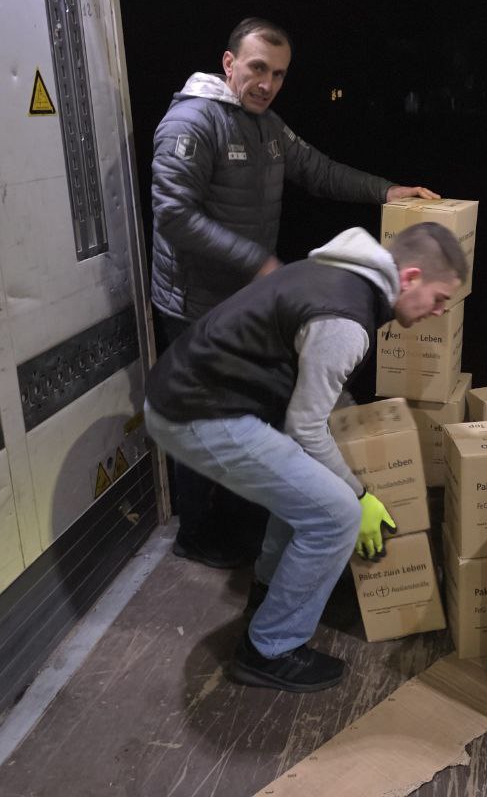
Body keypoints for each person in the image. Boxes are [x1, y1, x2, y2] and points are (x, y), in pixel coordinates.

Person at [150, 17, 439, 568]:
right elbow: (173, 214)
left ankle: (238, 519)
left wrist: (387, 191)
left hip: (241, 299)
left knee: (246, 411)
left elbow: (319, 171)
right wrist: (256, 261)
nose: (267, 84)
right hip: (194, 301)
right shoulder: (192, 123)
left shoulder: (268, 127)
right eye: (257, 68)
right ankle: (196, 531)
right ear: (229, 63)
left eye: (279, 74)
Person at [144, 222, 467, 692]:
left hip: (199, 397)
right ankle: (268, 650)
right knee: (336, 515)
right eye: (439, 299)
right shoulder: (346, 319)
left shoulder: (338, 276)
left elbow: (316, 395)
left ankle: (268, 594)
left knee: (308, 490)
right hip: (196, 414)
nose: (439, 312)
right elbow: (305, 428)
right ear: (411, 277)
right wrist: (359, 495)